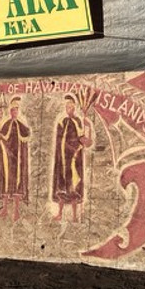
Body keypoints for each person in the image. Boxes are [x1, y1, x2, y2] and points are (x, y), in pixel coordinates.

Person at [51, 94, 92, 222]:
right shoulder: (62, 122)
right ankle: (60, 214)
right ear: (66, 108)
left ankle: (75, 217)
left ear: (74, 108)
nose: (70, 109)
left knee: (73, 188)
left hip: (74, 159)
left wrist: (88, 128)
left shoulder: (78, 122)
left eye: (71, 107)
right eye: (68, 107)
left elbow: (84, 140)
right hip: (63, 160)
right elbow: (59, 141)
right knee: (62, 188)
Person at [0, 96, 30, 221]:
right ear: (10, 111)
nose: (14, 112)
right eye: (13, 110)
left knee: (17, 183)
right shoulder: (6, 124)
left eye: (16, 110)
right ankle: (5, 209)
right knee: (6, 182)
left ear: (18, 111)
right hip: (7, 158)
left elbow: (26, 136)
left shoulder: (21, 125)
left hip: (17, 159)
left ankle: (16, 211)